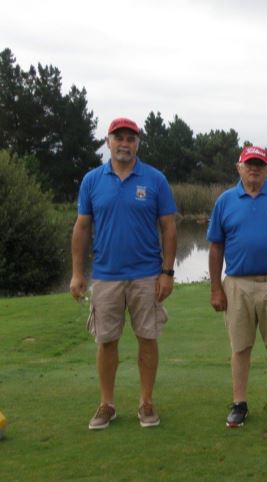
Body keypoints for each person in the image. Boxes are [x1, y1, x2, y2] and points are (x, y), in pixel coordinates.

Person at [70, 117, 177, 430]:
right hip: (105, 275)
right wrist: (78, 273)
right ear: (109, 142)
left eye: (131, 138)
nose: (125, 144)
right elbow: (82, 227)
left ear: (138, 143)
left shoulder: (155, 180)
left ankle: (146, 402)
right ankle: (107, 404)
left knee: (148, 338)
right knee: (106, 341)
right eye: (119, 138)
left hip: (147, 275)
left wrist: (167, 272)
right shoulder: (92, 180)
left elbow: (169, 227)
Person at [207, 145, 267, 429]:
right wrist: (216, 288)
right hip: (237, 285)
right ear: (239, 167)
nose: (254, 169)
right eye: (249, 164)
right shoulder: (225, 200)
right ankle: (239, 403)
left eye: (259, 165)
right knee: (240, 347)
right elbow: (216, 247)